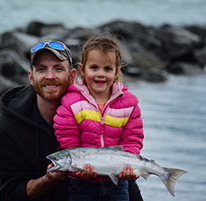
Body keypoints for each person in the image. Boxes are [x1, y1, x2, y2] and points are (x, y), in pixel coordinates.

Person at [53, 35, 144, 201]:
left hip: (118, 183)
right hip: (81, 185)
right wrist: (77, 168)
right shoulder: (71, 103)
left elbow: (133, 138)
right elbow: (68, 140)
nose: (100, 74)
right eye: (94, 68)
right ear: (82, 69)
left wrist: (128, 164)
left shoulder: (129, 104)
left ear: (117, 72)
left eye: (107, 69)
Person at [0, 40, 77, 201]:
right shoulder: (7, 127)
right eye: (41, 69)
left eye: (58, 69)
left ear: (72, 76)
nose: (50, 76)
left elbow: (121, 181)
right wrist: (48, 180)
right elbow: (10, 193)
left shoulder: (91, 115)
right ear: (31, 77)